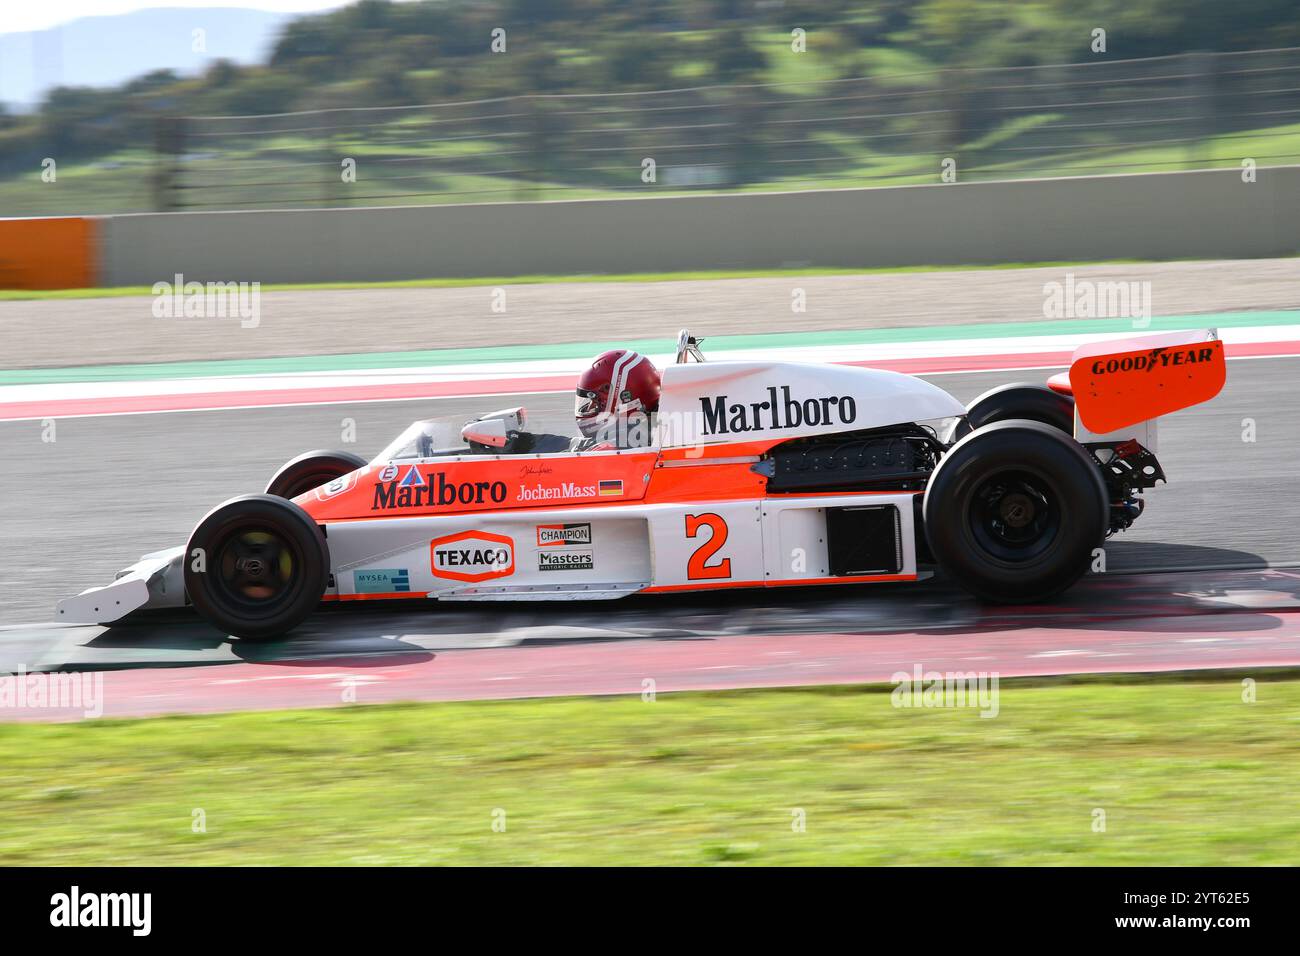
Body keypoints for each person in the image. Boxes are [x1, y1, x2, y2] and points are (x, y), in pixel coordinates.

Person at [570, 349, 661, 451]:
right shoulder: (655, 431)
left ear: (624, 400)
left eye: (595, 401)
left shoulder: (613, 448)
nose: (590, 407)